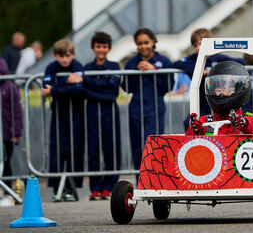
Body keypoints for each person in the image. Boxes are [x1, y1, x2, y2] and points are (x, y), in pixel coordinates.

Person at [122, 28, 174, 170]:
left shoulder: (163, 61)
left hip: (155, 107)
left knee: (153, 143)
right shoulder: (132, 62)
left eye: (146, 42)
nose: (143, 46)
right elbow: (126, 87)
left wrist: (153, 71)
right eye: (139, 43)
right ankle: (140, 179)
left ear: (153, 42)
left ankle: (154, 177)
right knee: (138, 145)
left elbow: (168, 86)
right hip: (136, 108)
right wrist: (135, 73)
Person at [174, 28, 244, 129]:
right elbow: (177, 63)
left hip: (219, 99)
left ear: (209, 44)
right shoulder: (193, 58)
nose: (198, 48)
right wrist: (198, 70)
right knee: (190, 123)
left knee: (222, 125)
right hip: (201, 100)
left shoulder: (218, 58)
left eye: (201, 44)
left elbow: (241, 62)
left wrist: (216, 71)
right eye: (195, 45)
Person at [41, 38, 84, 201]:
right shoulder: (51, 67)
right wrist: (66, 81)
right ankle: (56, 187)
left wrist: (56, 89)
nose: (64, 59)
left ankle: (71, 189)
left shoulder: (77, 66)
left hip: (76, 115)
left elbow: (79, 88)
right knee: (57, 151)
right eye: (61, 56)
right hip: (58, 115)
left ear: (73, 54)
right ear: (54, 55)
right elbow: (46, 89)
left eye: (67, 55)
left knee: (74, 150)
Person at [83, 32, 121, 200]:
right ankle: (95, 187)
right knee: (93, 148)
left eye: (104, 46)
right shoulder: (87, 68)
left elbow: (113, 92)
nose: (101, 49)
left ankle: (109, 186)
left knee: (111, 148)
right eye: (98, 46)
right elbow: (83, 90)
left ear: (109, 48)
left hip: (110, 110)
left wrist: (92, 88)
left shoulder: (114, 66)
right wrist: (102, 87)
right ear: (93, 48)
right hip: (92, 111)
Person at [187, 61, 253, 135]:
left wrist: (243, 122)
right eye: (219, 90)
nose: (223, 94)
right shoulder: (205, 122)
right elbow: (187, 143)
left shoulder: (248, 120)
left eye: (228, 90)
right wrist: (195, 130)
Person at [0, 58, 23, 206]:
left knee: (6, 162)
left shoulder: (9, 87)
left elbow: (17, 112)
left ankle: (9, 192)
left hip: (7, 134)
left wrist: (17, 131)